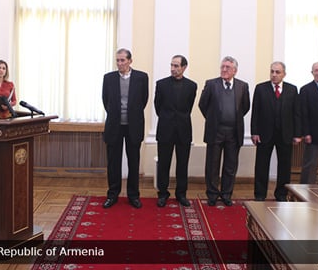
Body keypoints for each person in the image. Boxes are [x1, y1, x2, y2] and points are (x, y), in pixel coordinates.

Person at [199, 56, 250, 206]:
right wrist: (213, 119)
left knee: (230, 166)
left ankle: (227, 194)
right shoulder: (211, 84)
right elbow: (203, 105)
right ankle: (212, 194)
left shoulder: (242, 86)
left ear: (235, 70)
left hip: (234, 132)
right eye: (222, 66)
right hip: (216, 131)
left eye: (228, 67)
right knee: (212, 165)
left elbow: (245, 107)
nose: (224, 69)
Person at [101, 48, 149, 209]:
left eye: (122, 60)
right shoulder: (109, 78)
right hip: (114, 126)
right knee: (113, 163)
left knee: (133, 162)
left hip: (133, 126)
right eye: (118, 60)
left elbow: (143, 100)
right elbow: (106, 100)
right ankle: (112, 195)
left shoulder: (141, 77)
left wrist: (132, 114)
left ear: (130, 61)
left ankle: (133, 196)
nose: (120, 63)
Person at [250, 61, 301, 202]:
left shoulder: (292, 89)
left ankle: (281, 194)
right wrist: (254, 132)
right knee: (261, 165)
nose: (274, 74)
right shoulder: (261, 88)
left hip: (285, 134)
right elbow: (255, 112)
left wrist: (297, 134)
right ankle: (260, 194)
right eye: (272, 71)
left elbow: (296, 113)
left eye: (277, 72)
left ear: (284, 74)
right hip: (264, 134)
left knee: (284, 166)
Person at [155, 55, 197, 207]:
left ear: (184, 67)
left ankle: (181, 194)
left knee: (182, 164)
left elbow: (189, 107)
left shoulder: (192, 86)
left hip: (183, 130)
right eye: (171, 65)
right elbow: (158, 106)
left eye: (176, 66)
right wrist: (168, 119)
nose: (173, 68)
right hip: (165, 129)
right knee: (163, 164)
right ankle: (162, 194)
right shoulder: (161, 84)